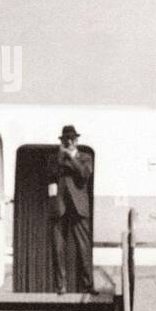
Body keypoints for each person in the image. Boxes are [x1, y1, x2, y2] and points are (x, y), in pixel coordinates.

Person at [49, 125, 94, 294]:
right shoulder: (55, 159)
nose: (69, 142)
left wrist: (71, 158)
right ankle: (60, 285)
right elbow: (50, 175)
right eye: (65, 139)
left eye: (72, 139)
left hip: (79, 208)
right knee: (58, 248)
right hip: (60, 208)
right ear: (61, 141)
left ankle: (88, 285)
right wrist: (62, 157)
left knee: (83, 247)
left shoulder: (85, 158)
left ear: (77, 141)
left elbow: (84, 175)